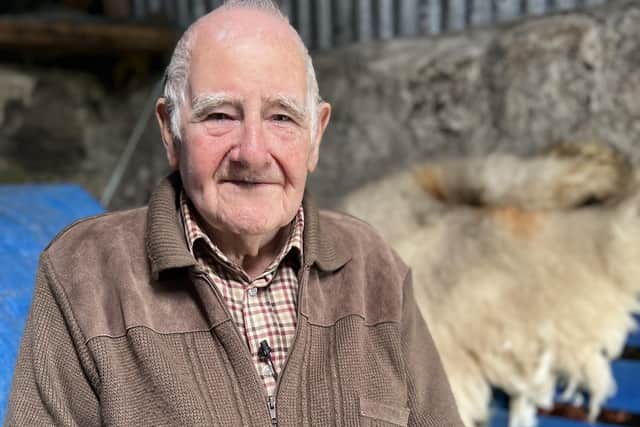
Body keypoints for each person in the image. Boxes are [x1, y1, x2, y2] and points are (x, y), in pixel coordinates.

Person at [6, 1, 463, 425]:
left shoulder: (373, 269)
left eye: (281, 117)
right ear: (170, 131)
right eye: (220, 115)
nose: (252, 152)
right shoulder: (82, 273)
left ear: (316, 135)